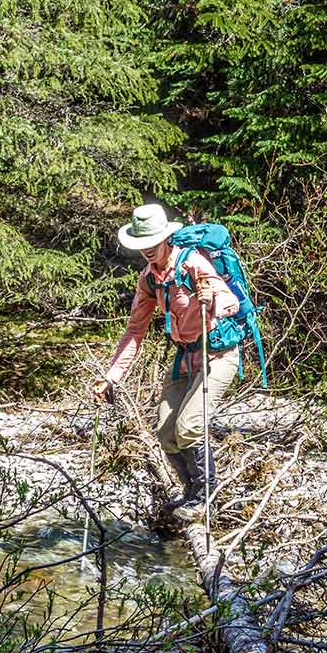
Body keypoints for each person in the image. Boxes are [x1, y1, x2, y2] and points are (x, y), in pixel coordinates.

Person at [90, 203, 240, 520]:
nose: (145, 249)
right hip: (185, 358)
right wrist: (111, 376)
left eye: (150, 242)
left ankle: (205, 497)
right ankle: (190, 494)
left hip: (217, 353)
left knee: (189, 427)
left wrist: (215, 302)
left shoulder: (193, 263)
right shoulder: (149, 280)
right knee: (165, 432)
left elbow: (226, 296)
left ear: (165, 238)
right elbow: (134, 331)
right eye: (140, 243)